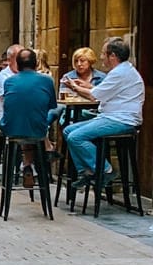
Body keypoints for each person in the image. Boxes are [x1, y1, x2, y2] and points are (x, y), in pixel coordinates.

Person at [62, 37, 146, 187]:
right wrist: (86, 85)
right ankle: (87, 171)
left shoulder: (119, 73)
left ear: (112, 56)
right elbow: (100, 91)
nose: (101, 57)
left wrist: (74, 86)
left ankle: (106, 170)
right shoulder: (123, 70)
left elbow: (94, 95)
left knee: (75, 137)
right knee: (68, 130)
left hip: (121, 120)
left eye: (103, 54)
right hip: (111, 117)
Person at [0, 47, 58, 188]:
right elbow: (52, 105)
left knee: (26, 122)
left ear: (18, 65)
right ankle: (44, 152)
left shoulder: (9, 82)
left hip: (10, 128)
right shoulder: (47, 80)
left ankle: (27, 166)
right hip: (37, 129)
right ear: (36, 64)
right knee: (38, 121)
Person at [0, 43, 21, 117]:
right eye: (19, 59)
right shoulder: (3, 76)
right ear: (9, 60)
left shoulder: (25, 73)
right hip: (8, 118)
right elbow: (10, 98)